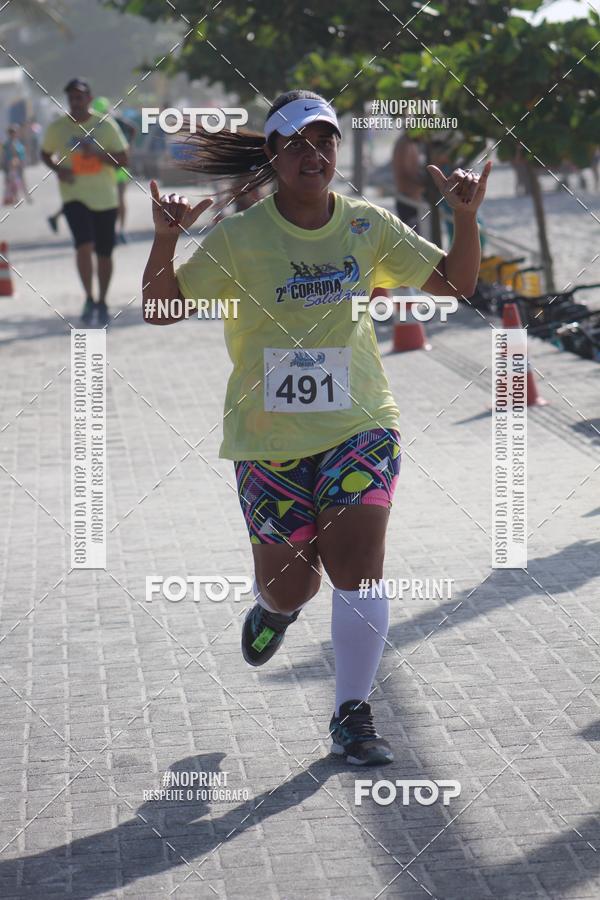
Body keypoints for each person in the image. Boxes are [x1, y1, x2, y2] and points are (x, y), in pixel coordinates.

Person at [142, 90, 491, 766]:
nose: (315, 154)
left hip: (359, 423)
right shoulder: (242, 239)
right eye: (298, 142)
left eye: (325, 140)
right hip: (267, 440)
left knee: (358, 568)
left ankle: (352, 713)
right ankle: (274, 612)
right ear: (273, 155)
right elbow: (160, 310)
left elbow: (454, 285)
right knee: (293, 584)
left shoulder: (367, 225)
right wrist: (164, 241)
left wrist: (467, 219)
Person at [41, 78, 129, 325]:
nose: (75, 101)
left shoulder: (106, 125)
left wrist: (98, 154)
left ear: (89, 99)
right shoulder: (58, 128)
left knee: (104, 253)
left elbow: (124, 158)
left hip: (105, 198)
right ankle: (89, 297)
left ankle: (102, 299)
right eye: (71, 97)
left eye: (80, 97)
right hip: (74, 196)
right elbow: (45, 154)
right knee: (83, 245)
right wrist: (58, 170)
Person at [391, 132, 425, 233]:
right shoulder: (405, 144)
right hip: (407, 199)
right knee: (412, 239)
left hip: (412, 199)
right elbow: (405, 173)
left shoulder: (410, 143)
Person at [2, 125, 29, 205]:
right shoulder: (7, 144)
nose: (13, 134)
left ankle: (26, 197)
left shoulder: (17, 142)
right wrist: (5, 165)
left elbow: (21, 154)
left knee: (21, 182)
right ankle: (15, 198)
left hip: (18, 166)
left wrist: (22, 162)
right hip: (10, 167)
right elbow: (5, 156)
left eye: (14, 132)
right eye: (12, 132)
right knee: (12, 183)